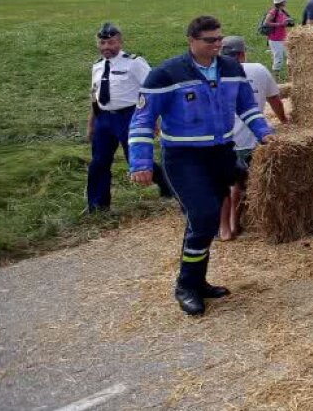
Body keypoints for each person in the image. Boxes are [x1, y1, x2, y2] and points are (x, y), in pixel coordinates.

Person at [128, 16, 273, 316]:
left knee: (204, 221)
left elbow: (246, 107)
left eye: (219, 39)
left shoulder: (232, 70)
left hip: (220, 153)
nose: (217, 45)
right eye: (210, 40)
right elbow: (142, 120)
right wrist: (140, 162)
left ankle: (199, 280)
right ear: (191, 40)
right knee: (204, 215)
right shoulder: (166, 74)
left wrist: (265, 134)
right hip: (183, 158)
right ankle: (186, 286)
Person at [217, 36, 287, 241]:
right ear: (242, 54)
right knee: (242, 182)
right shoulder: (258, 70)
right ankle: (235, 223)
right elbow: (275, 100)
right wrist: (284, 121)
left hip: (225, 139)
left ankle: (227, 227)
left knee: (229, 182)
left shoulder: (214, 74)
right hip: (253, 139)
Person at [86, 22, 151, 213]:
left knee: (137, 159)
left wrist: (151, 120)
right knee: (99, 162)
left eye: (111, 43)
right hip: (103, 119)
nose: (107, 47)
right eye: (102, 43)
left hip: (129, 116)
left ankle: (168, 188)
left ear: (120, 42)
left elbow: (150, 91)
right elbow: (95, 96)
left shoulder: (134, 63)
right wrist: (91, 124)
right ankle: (97, 205)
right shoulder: (97, 66)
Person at [263, 0, 294, 76]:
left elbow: (285, 22)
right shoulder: (273, 12)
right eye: (285, 0)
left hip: (283, 37)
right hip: (275, 39)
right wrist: (280, 24)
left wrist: (289, 22)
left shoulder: (283, 11)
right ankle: (275, 77)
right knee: (278, 58)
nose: (286, 1)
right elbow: (266, 23)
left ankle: (290, 75)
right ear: (281, 2)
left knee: (290, 56)